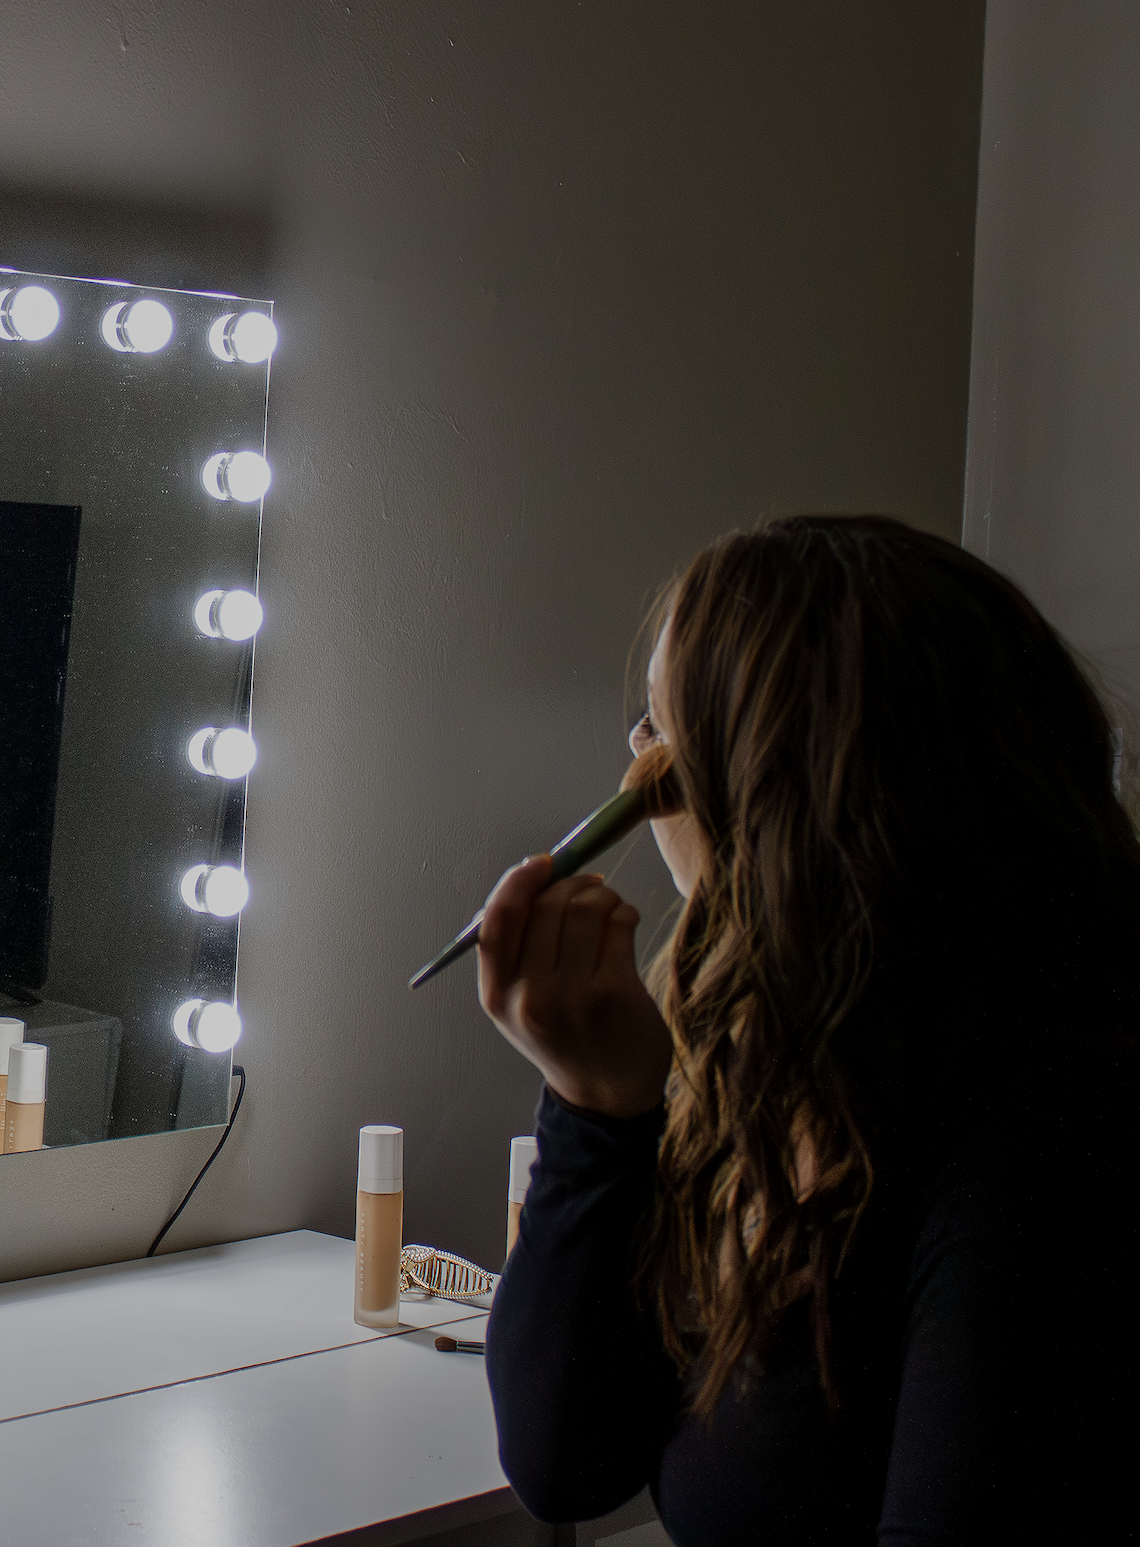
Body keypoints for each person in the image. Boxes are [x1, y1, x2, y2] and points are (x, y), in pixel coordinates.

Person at [479, 516, 1133, 1544]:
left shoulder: (1049, 1148)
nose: (633, 782)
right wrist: (598, 1109)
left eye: (658, 740)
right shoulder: (780, 1092)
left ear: (775, 804)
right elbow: (569, 1463)